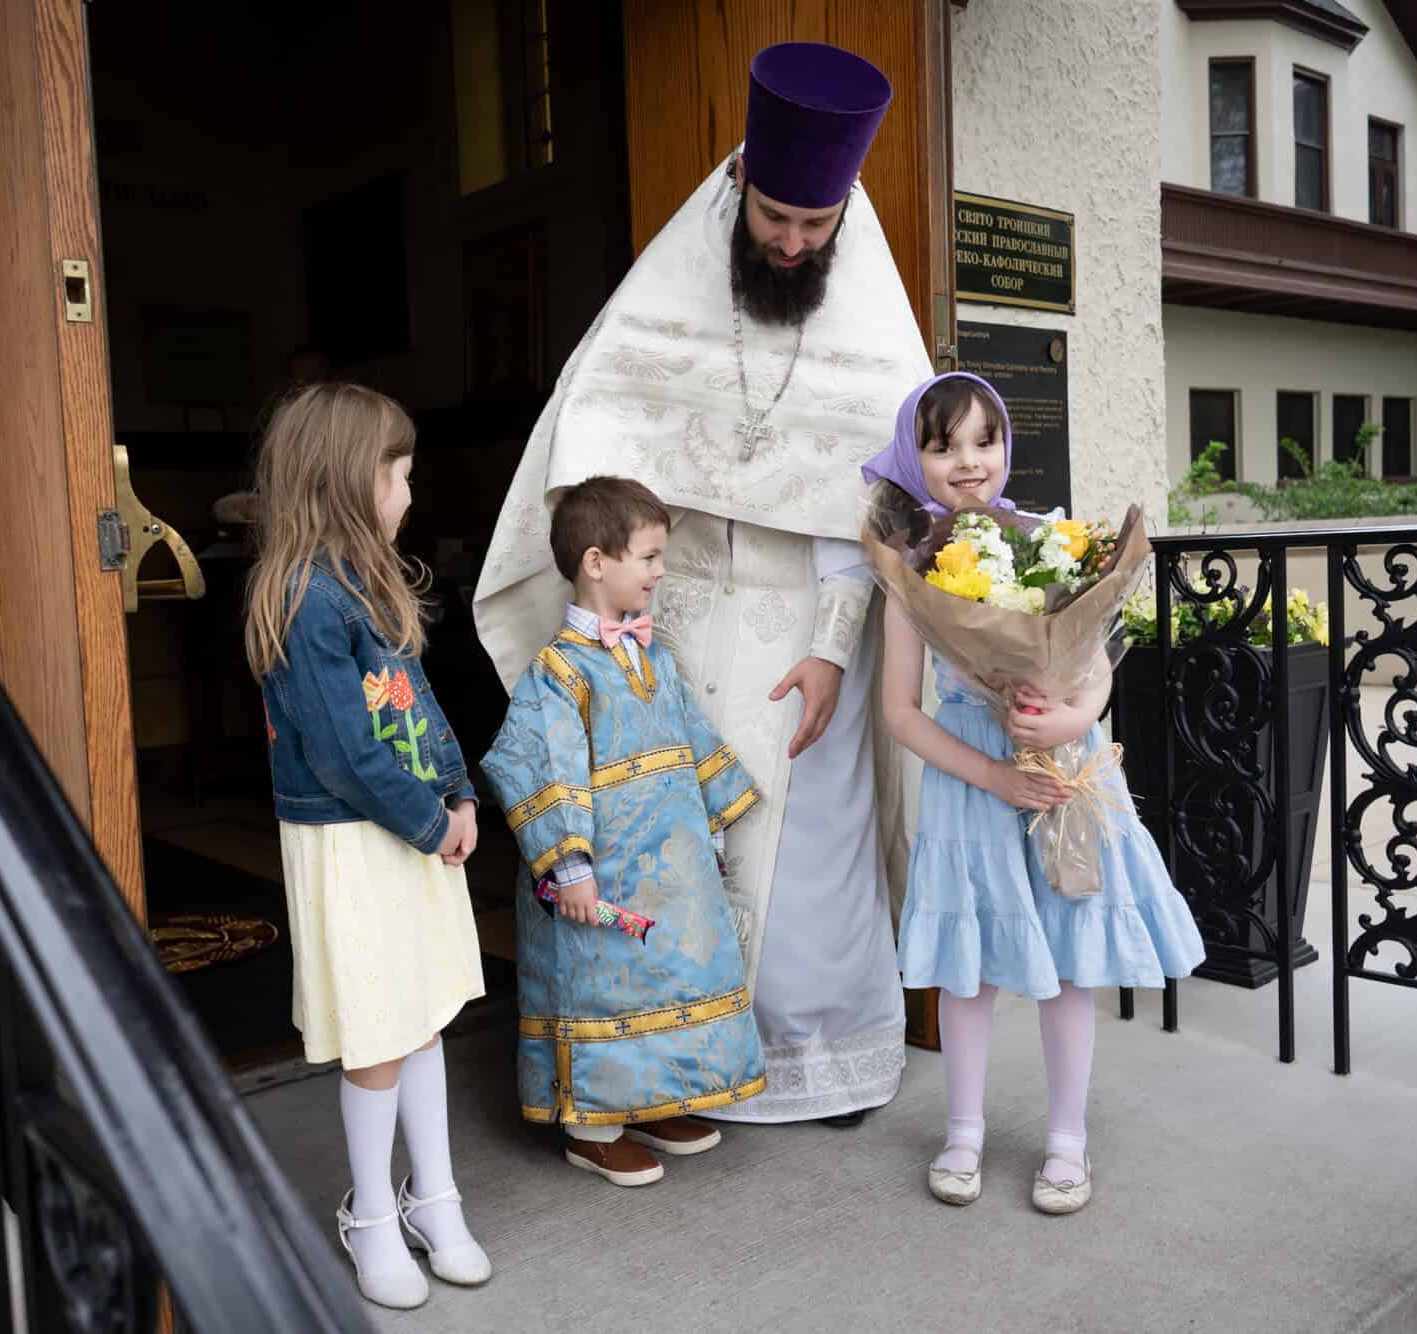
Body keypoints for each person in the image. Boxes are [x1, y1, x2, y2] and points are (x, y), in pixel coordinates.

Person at [474, 42, 926, 1126]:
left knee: (806, 855)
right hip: (666, 627)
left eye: (815, 225)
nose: (791, 243)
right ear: (738, 185)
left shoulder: (869, 331)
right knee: (665, 853)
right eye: (774, 217)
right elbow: (588, 448)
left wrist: (830, 648)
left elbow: (874, 511)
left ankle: (816, 1062)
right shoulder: (663, 303)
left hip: (801, 635)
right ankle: (674, 1066)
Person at [864, 372, 1205, 1214]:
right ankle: (963, 1134)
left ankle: (1066, 1142)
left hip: (1060, 774)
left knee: (1072, 959)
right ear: (913, 457)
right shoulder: (912, 573)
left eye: (985, 441)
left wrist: (1069, 719)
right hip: (973, 784)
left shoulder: (1057, 542)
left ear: (1007, 447)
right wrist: (993, 774)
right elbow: (900, 713)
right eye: (943, 446)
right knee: (969, 972)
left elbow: (1096, 668)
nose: (968, 462)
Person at [246, 382, 491, 1309]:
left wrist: (458, 791)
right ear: (354, 479)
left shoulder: (367, 582)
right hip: (354, 840)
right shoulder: (306, 597)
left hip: (409, 825)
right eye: (402, 474)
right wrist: (433, 822)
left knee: (421, 1014)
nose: (412, 492)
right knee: (379, 1032)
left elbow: (416, 707)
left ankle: (435, 1198)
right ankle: (373, 1215)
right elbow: (343, 753)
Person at [481, 476, 767, 1186]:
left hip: (670, 865)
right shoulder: (558, 672)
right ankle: (593, 1127)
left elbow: (692, 741)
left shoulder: (655, 657)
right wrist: (570, 868)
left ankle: (653, 1099)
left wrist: (710, 829)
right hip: (605, 871)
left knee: (668, 973)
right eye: (649, 555)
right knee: (603, 985)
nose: (661, 570)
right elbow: (543, 764)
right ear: (596, 562)